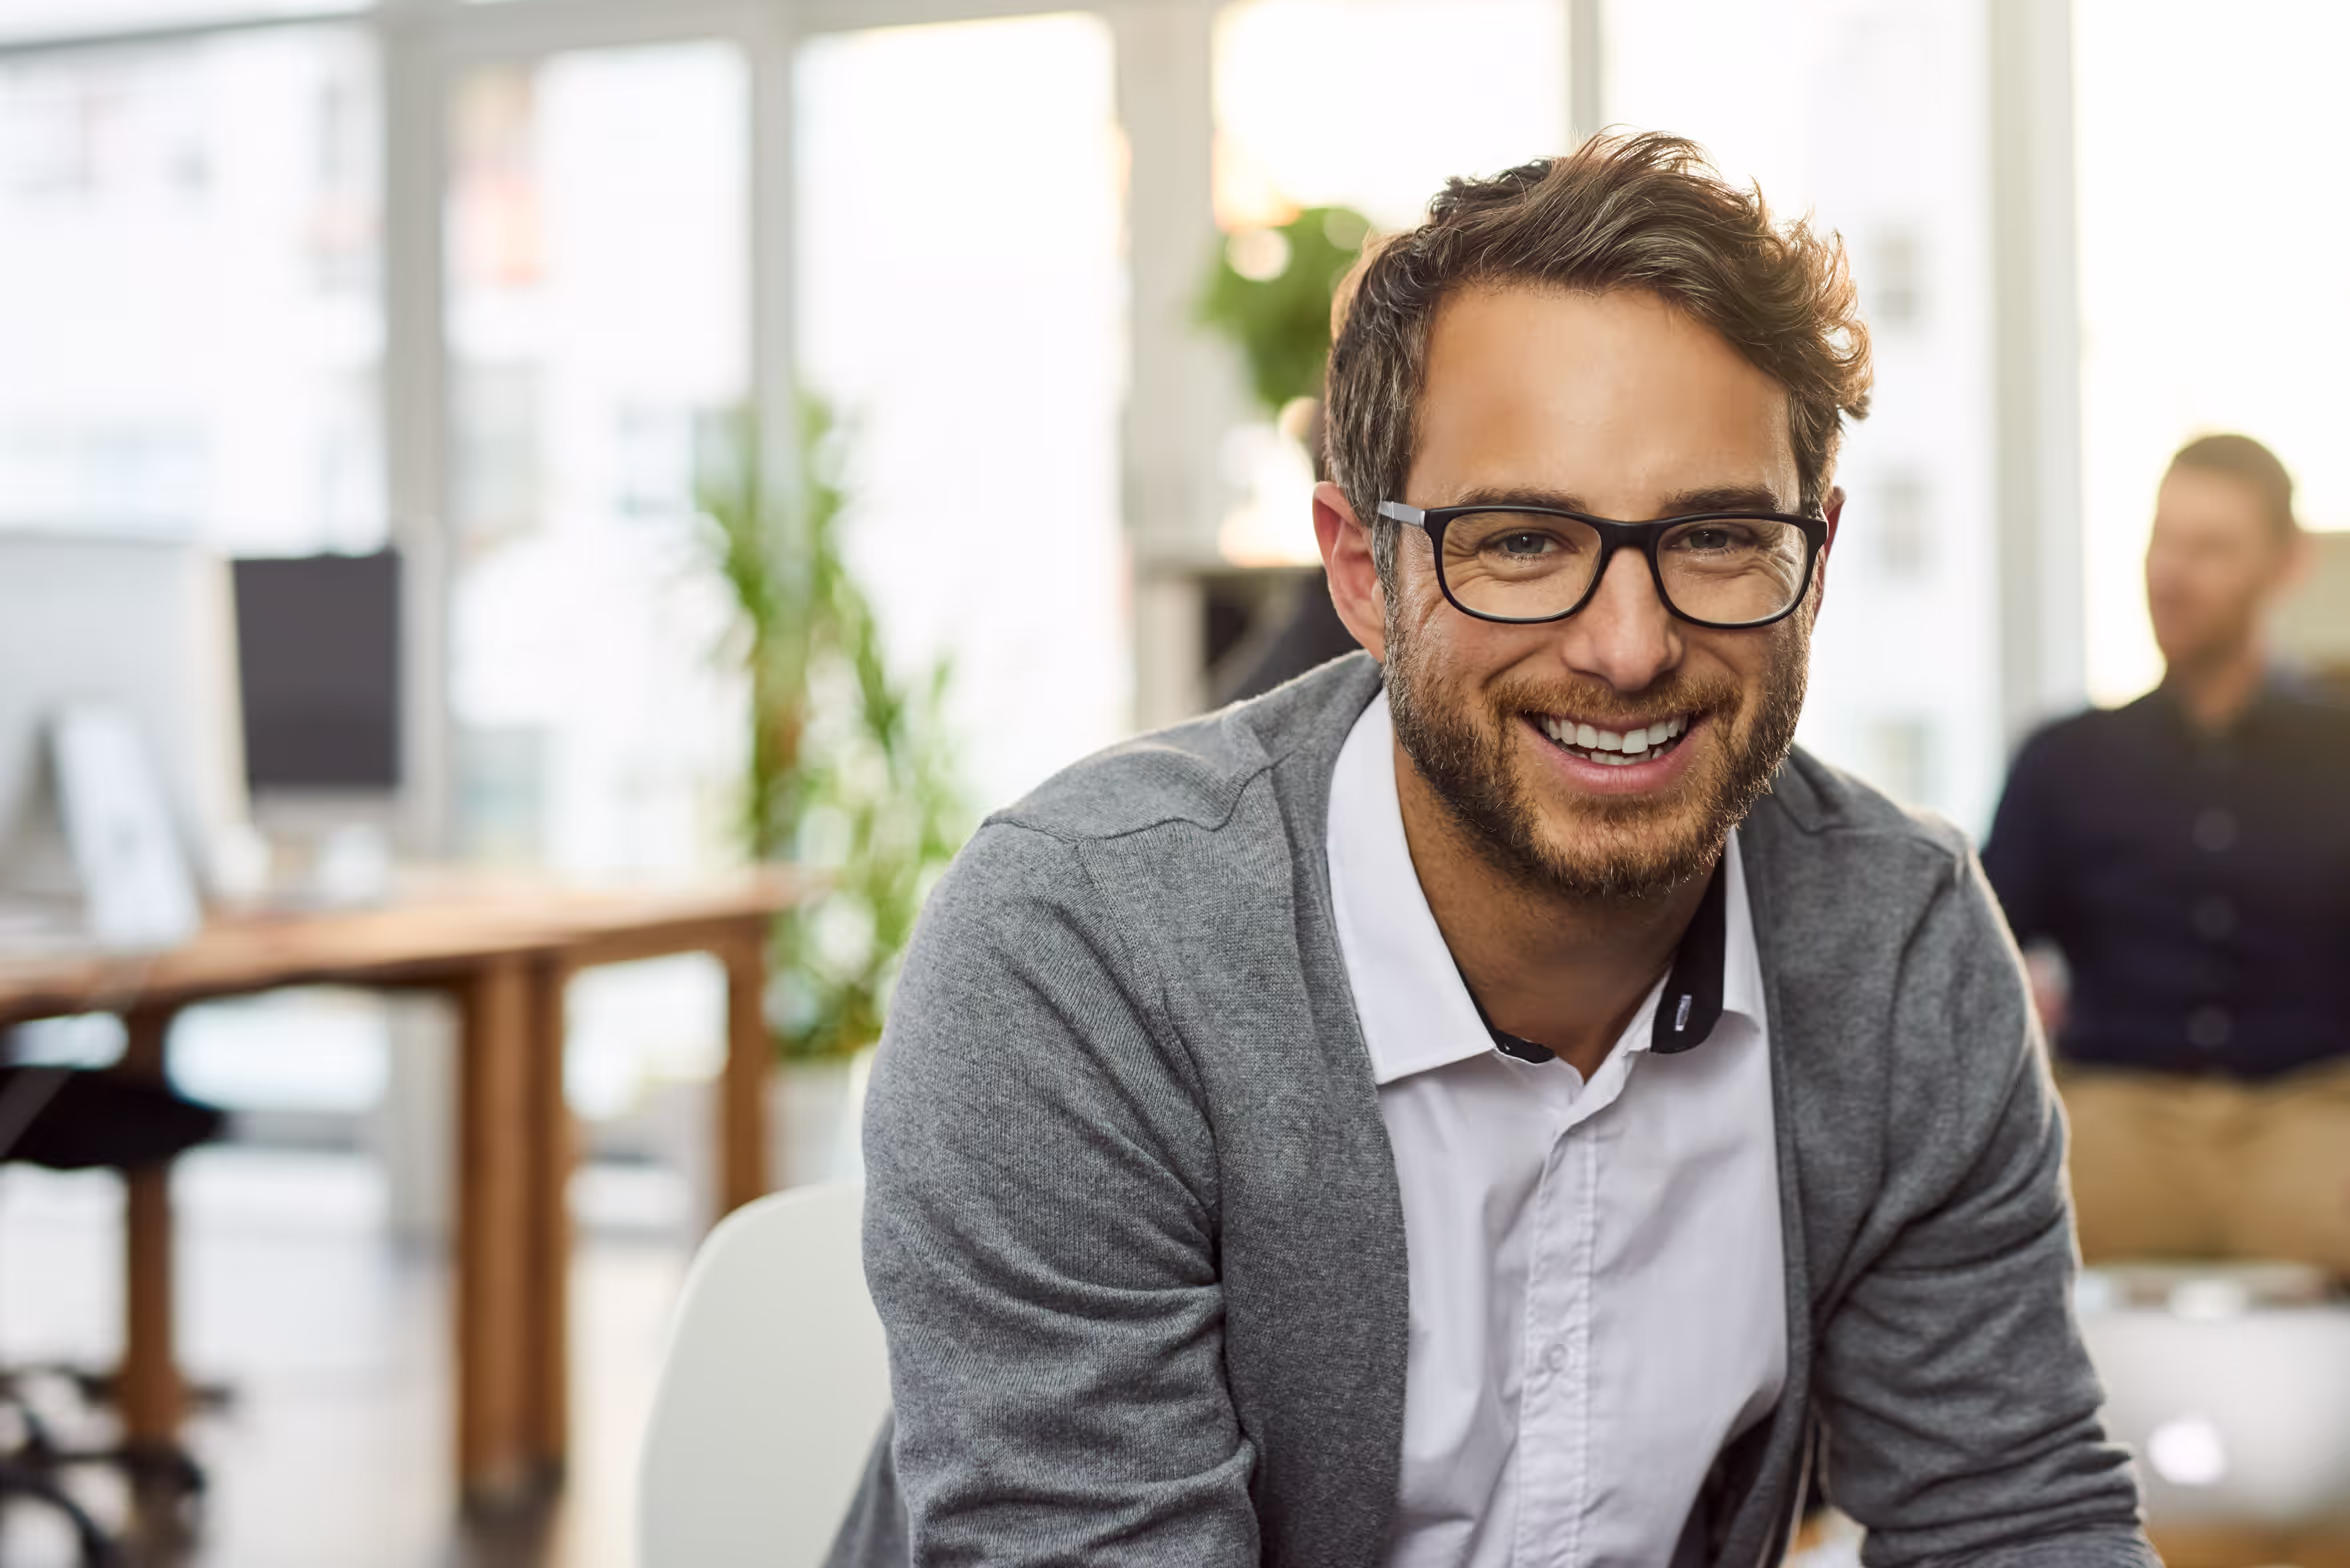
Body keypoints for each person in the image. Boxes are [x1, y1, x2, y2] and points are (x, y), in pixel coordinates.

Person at [828, 134, 2150, 1568]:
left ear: (1812, 561)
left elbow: (2008, 1515)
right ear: (1359, 571)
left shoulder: (1895, 941)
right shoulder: (1086, 947)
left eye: (1713, 535)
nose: (1629, 648)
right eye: (1519, 542)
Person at [1983, 434, 2350, 1275]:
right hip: (2118, 1119)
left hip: (2315, 1118)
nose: (2172, 574)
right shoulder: (2065, 759)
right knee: (1979, 1237)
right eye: (2163, 540)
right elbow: (1975, 959)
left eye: (2211, 547)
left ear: (2285, 566)